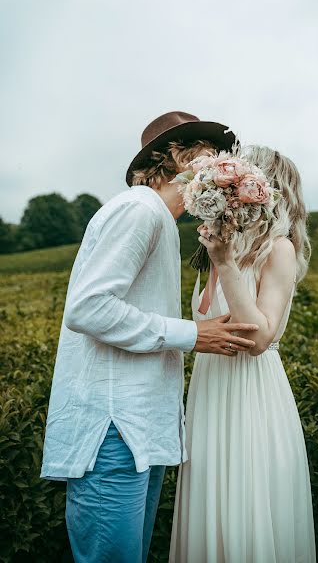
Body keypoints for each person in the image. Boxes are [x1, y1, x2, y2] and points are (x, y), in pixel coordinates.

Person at [40, 111, 259, 563]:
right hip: (113, 430)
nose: (222, 166)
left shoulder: (157, 219)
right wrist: (191, 334)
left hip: (137, 429)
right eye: (210, 155)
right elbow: (89, 308)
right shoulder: (139, 210)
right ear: (177, 157)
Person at [170, 145, 317, 563]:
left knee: (246, 498)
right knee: (211, 499)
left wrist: (228, 264)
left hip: (251, 392)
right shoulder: (219, 249)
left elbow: (257, 340)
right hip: (210, 387)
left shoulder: (279, 250)